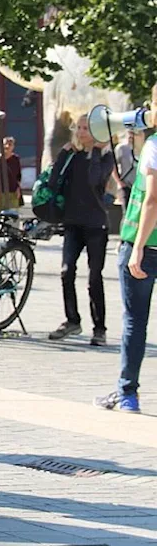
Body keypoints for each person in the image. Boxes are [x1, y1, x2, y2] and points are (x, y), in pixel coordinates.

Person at [97, 112, 156, 414]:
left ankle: (127, 393)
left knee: (135, 321)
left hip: (144, 245)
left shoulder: (155, 147)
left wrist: (139, 248)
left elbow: (152, 200)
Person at [49, 116, 114, 346]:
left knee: (94, 276)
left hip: (96, 225)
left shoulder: (106, 157)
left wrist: (95, 152)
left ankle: (99, 328)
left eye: (87, 128)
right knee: (67, 271)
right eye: (80, 127)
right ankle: (72, 320)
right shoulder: (73, 156)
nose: (82, 131)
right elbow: (54, 182)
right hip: (73, 223)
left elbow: (95, 180)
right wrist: (63, 155)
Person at [0, 136, 22, 212]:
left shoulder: (16, 159)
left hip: (13, 190)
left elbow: (18, 175)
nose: (7, 146)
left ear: (13, 146)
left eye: (10, 144)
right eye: (5, 144)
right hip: (0, 191)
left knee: (12, 214)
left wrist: (18, 189)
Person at [115, 129, 141, 211]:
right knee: (126, 211)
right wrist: (119, 182)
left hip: (139, 187)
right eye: (130, 133)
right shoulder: (121, 148)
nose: (131, 136)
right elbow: (113, 166)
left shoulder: (143, 148)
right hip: (126, 185)